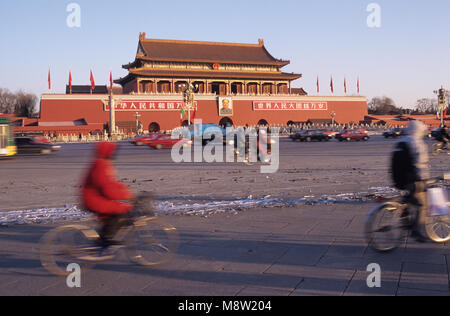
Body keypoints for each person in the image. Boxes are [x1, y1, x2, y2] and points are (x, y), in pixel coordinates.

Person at [81, 142, 135, 248]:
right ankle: (106, 239)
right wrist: (127, 195)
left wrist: (124, 190)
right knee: (122, 210)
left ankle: (105, 236)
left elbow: (111, 183)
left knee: (115, 212)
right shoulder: (101, 166)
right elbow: (109, 190)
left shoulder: (100, 163)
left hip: (95, 198)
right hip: (94, 200)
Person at [393, 120, 431, 242]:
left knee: (408, 201)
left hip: (398, 179)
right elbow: (420, 164)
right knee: (422, 205)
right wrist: (424, 180)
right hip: (412, 179)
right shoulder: (417, 143)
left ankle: (404, 218)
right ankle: (416, 231)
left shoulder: (400, 142)